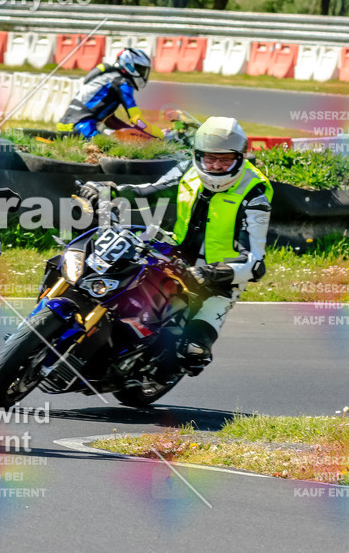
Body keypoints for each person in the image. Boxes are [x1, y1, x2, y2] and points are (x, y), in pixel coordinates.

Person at [78, 116, 272, 375]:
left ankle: (162, 367)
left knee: (194, 350)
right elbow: (151, 190)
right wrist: (109, 191)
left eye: (224, 159)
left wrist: (211, 273)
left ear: (240, 157)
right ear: (198, 155)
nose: (215, 166)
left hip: (220, 278)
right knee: (116, 273)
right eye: (209, 158)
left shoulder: (255, 193)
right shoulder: (186, 170)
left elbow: (255, 262)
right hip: (174, 254)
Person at [57, 47, 163, 139]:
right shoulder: (123, 83)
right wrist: (161, 136)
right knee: (125, 147)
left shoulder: (107, 77)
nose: (143, 74)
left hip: (65, 125)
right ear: (131, 66)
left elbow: (110, 120)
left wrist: (130, 129)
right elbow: (137, 120)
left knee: (127, 135)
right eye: (141, 69)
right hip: (84, 128)